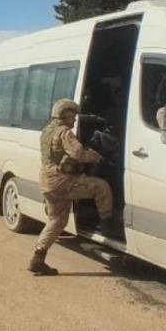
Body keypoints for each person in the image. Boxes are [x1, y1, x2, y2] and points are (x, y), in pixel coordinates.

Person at [29, 99, 120, 276]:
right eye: (73, 116)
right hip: (62, 181)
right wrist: (95, 157)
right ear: (65, 115)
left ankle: (37, 258)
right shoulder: (64, 132)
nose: (75, 120)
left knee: (57, 221)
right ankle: (108, 226)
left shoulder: (47, 131)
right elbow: (78, 153)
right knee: (102, 187)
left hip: (48, 180)